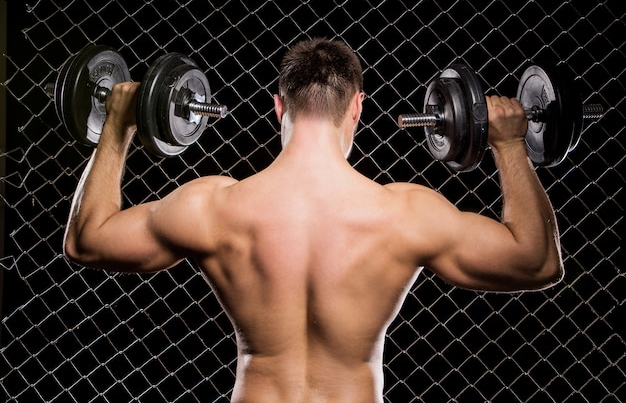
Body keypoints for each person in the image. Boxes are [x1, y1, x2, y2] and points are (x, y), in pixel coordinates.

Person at [63, 38, 563, 403]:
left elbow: (87, 240)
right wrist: (510, 143)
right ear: (357, 109)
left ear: (278, 107)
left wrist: (118, 125)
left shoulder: (214, 207)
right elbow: (537, 262)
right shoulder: (404, 214)